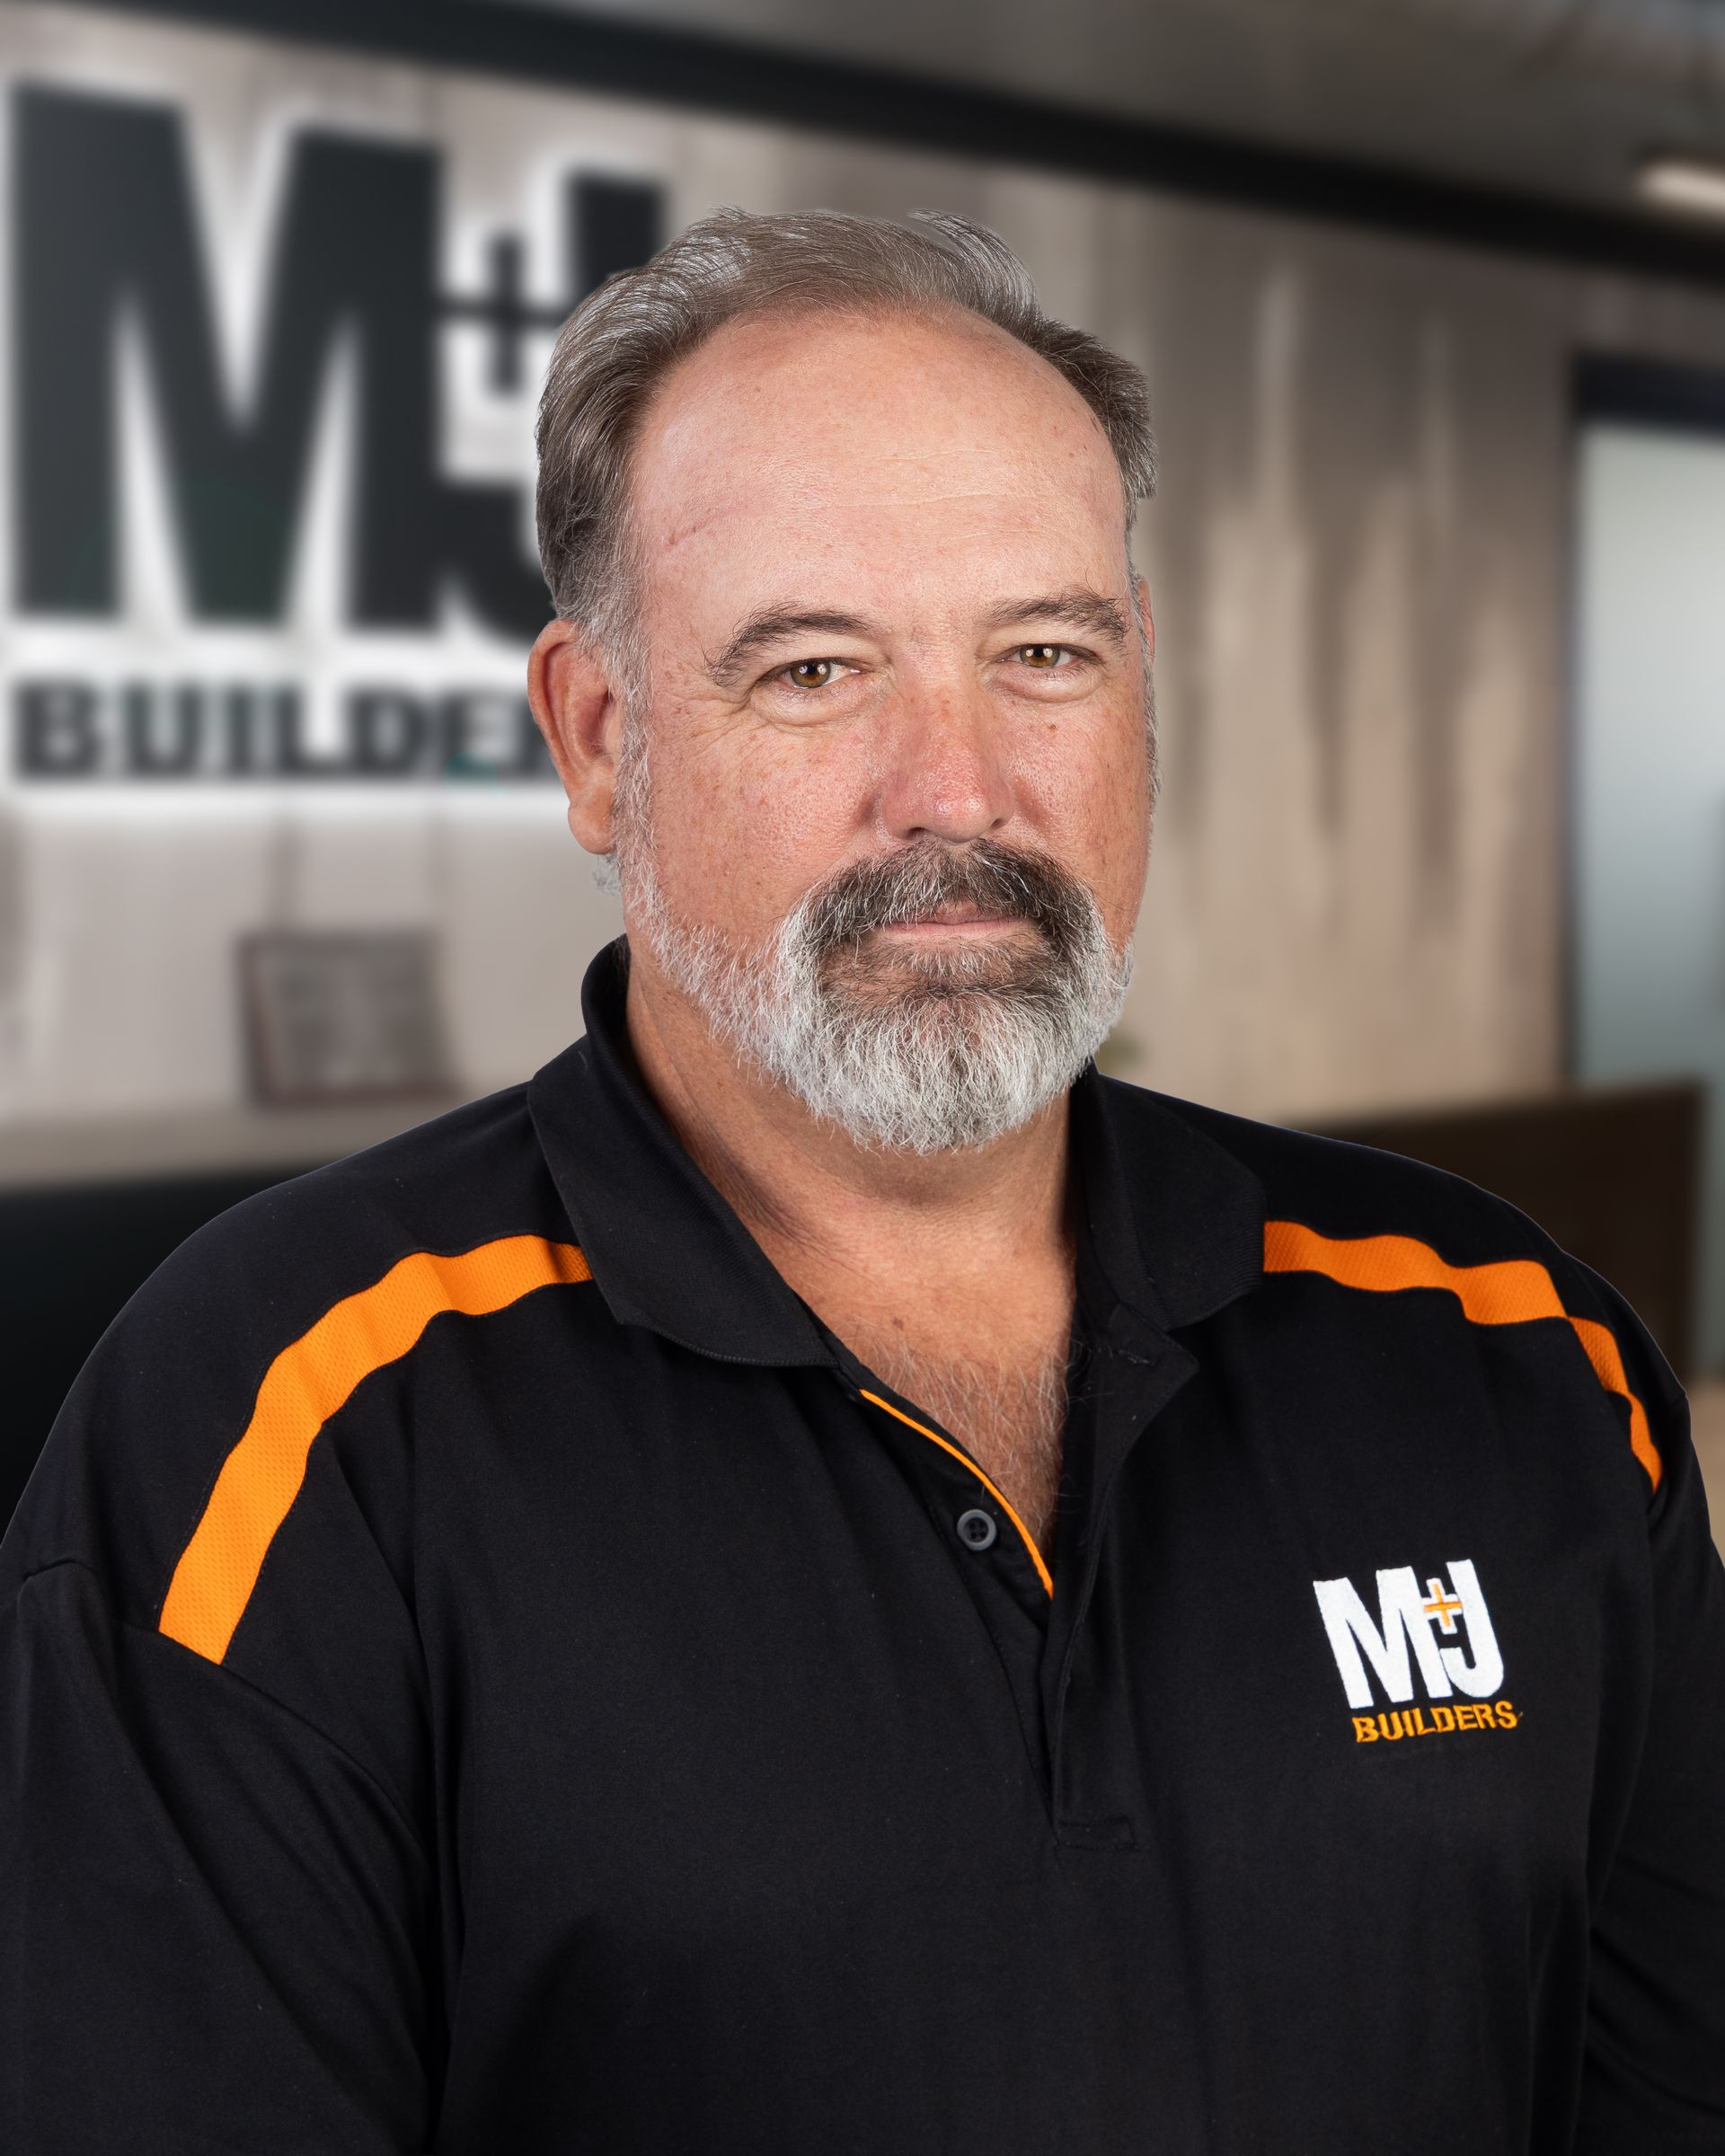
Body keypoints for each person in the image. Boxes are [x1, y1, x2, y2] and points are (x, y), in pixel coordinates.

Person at [3, 208, 1721, 2155]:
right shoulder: (284, 1435)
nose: (957, 787)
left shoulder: (1511, 1356)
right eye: (816, 668)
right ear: (597, 737)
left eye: (1045, 652)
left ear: (1142, 688)